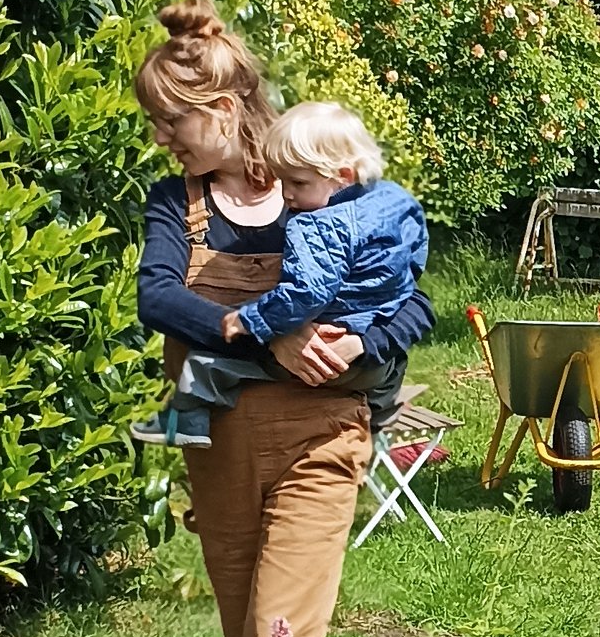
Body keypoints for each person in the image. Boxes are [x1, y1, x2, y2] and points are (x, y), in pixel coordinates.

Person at [131, 0, 433, 637]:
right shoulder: (177, 203)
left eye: (173, 121)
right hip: (218, 446)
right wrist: (265, 334)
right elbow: (157, 297)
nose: (163, 139)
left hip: (322, 439)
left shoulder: (319, 175)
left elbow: (414, 303)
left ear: (224, 110)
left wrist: (362, 340)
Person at [158, 101, 430, 443]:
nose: (287, 194)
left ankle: (188, 422)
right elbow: (413, 265)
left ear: (344, 175)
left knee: (209, 364)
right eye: (282, 181)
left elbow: (304, 295)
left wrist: (256, 324)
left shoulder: (314, 225)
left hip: (317, 359)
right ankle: (377, 419)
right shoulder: (396, 202)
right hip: (371, 369)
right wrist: (368, 337)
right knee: (393, 367)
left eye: (298, 183)